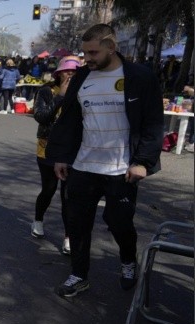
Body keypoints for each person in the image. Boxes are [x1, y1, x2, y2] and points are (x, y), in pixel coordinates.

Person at [47, 23, 164, 299]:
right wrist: (62, 156)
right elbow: (70, 120)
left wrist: (143, 162)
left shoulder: (140, 77)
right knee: (77, 223)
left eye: (94, 52)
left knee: (120, 222)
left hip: (121, 169)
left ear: (112, 47)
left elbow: (153, 124)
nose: (87, 58)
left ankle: (127, 261)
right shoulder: (82, 77)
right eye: (85, 52)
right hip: (84, 165)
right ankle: (79, 274)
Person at [31, 56, 79, 254]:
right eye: (67, 71)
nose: (70, 75)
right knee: (49, 190)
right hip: (47, 149)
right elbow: (40, 116)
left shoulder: (82, 92)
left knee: (68, 196)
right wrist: (60, 97)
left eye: (74, 72)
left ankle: (68, 237)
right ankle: (38, 220)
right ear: (58, 74)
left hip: (72, 152)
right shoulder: (46, 91)